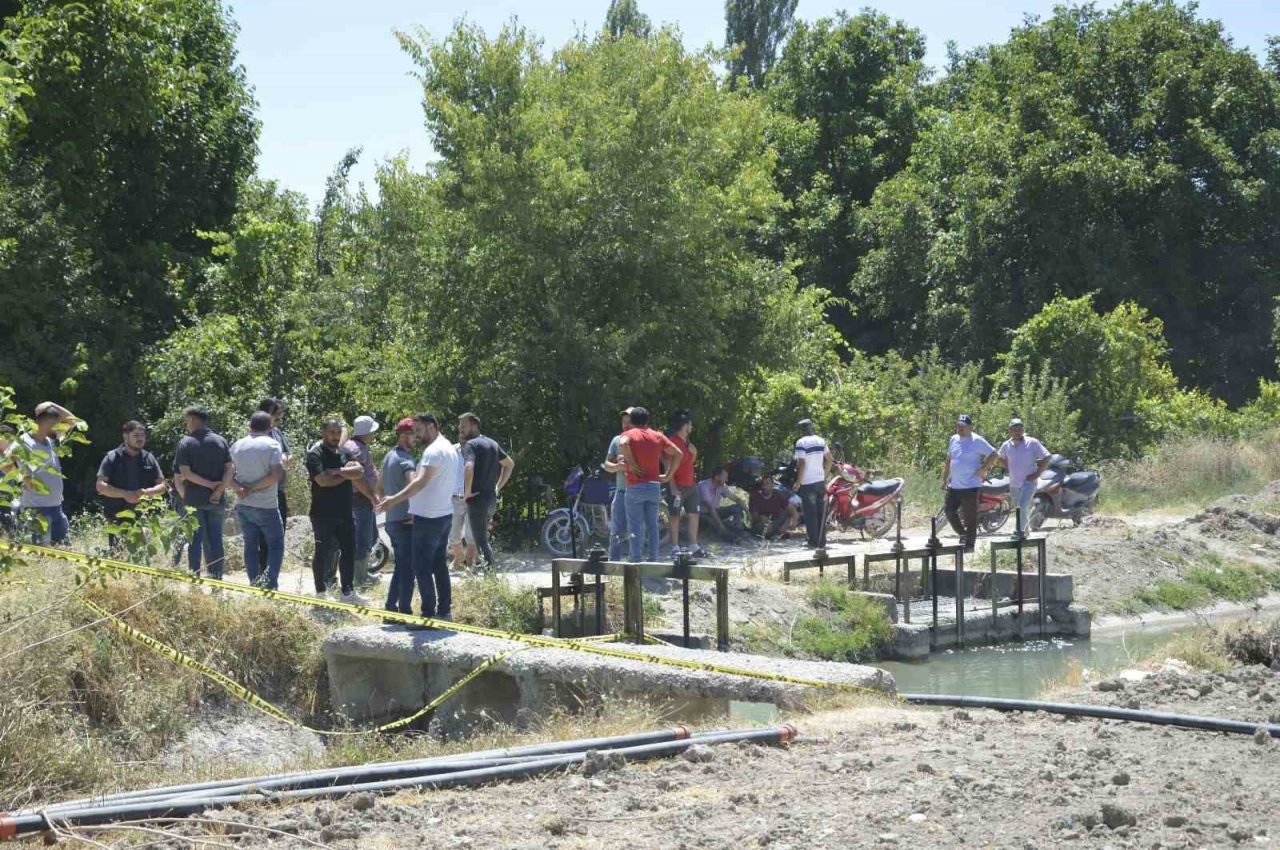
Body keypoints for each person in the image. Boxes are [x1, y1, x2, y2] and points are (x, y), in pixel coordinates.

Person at [376, 414, 461, 620]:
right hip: (441, 514)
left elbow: (418, 482)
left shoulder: (431, 451)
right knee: (437, 566)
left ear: (432, 426)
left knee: (419, 568)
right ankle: (443, 611)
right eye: (413, 432)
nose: (417, 436)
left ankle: (426, 615)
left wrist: (392, 500)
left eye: (419, 431)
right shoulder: (448, 447)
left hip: (426, 518)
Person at [306, 418, 366, 601]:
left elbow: (360, 471)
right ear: (323, 432)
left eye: (338, 433)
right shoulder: (315, 454)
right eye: (332, 432)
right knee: (323, 552)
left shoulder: (345, 451)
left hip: (345, 512)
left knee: (349, 551)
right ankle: (321, 592)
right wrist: (346, 474)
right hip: (323, 513)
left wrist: (336, 471)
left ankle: (348, 591)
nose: (335, 436)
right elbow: (323, 481)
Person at [174, 406, 234, 578]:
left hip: (194, 500)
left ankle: (195, 578)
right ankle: (217, 578)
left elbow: (185, 473)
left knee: (195, 540)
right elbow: (230, 469)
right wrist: (219, 489)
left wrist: (209, 485)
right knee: (216, 539)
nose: (186, 424)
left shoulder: (186, 443)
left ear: (193, 420)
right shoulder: (221, 441)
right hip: (216, 499)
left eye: (187, 421)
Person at [230, 412, 286, 589]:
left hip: (244, 504)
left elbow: (227, 475)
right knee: (276, 545)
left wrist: (240, 488)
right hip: (266, 505)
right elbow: (276, 475)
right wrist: (252, 488)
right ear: (270, 427)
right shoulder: (272, 445)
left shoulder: (237, 445)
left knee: (250, 546)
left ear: (250, 425)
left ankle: (254, 583)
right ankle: (269, 584)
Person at [618, 407, 682, 562]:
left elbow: (623, 443)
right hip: (654, 485)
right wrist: (668, 475)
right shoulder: (657, 436)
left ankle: (636, 559)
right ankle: (653, 560)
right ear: (647, 420)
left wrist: (632, 464)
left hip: (635, 485)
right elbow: (678, 453)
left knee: (635, 525)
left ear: (632, 420)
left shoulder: (629, 434)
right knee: (652, 525)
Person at [95, 421, 167, 549]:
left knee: (142, 553)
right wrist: (125, 494)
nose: (140, 439)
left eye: (142, 436)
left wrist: (146, 492)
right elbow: (100, 486)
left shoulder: (149, 458)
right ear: (125, 436)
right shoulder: (112, 457)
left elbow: (162, 486)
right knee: (117, 554)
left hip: (144, 516)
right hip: (117, 515)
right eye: (136, 435)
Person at [16, 402, 78, 544]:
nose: (59, 428)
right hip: (36, 509)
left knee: (63, 550)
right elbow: (7, 462)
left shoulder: (51, 440)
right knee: (38, 552)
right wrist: (24, 479)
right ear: (47, 423)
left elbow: (73, 421)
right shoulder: (24, 442)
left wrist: (51, 404)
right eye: (56, 425)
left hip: (56, 507)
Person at [458, 413, 514, 571]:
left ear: (475, 425)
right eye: (460, 426)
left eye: (464, 425)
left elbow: (469, 467)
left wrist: (467, 492)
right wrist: (498, 487)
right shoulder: (492, 443)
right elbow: (509, 464)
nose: (460, 429)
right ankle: (488, 571)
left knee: (480, 540)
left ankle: (491, 574)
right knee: (483, 538)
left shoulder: (471, 445)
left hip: (477, 499)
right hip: (491, 500)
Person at [942, 414, 997, 553]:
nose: (960, 428)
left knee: (970, 517)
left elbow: (994, 454)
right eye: (958, 425)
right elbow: (949, 459)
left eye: (963, 426)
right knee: (949, 511)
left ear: (970, 427)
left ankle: (970, 545)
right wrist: (944, 479)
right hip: (954, 485)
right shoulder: (953, 439)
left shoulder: (977, 440)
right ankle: (963, 534)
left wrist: (983, 468)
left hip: (971, 485)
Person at [379, 418, 418, 613]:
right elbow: (414, 485)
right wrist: (414, 511)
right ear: (404, 436)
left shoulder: (389, 456)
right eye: (413, 435)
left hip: (392, 520)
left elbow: (379, 486)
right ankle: (405, 611)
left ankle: (390, 609)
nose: (416, 439)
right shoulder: (406, 459)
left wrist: (386, 505)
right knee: (408, 569)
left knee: (401, 567)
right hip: (405, 521)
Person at [988, 418, 1051, 536]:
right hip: (1014, 483)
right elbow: (999, 457)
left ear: (1023, 429)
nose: (1017, 431)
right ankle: (1025, 532)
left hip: (1029, 482)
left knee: (1022, 506)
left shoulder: (1032, 442)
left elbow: (1047, 457)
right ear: (1010, 431)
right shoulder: (1006, 445)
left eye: (1020, 428)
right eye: (1014, 429)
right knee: (1019, 508)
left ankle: (1020, 531)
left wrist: (1037, 474)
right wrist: (1006, 465)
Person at [256, 398, 292, 570]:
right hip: (263, 490)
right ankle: (263, 573)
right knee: (264, 536)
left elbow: (288, 453)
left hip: (279, 489)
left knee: (279, 532)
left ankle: (271, 572)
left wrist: (286, 457)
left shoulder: (277, 432)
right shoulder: (257, 436)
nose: (279, 420)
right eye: (277, 416)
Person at [345, 416, 381, 580]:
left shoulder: (355, 446)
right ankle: (360, 577)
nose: (373, 435)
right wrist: (372, 496)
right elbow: (357, 478)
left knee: (370, 536)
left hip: (361, 498)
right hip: (360, 498)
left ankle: (361, 573)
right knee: (363, 539)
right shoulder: (357, 450)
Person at [664, 411, 703, 556]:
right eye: (690, 424)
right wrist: (672, 487)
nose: (691, 427)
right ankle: (675, 547)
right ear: (685, 425)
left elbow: (690, 463)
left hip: (691, 484)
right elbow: (667, 465)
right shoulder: (672, 442)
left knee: (694, 513)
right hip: (677, 486)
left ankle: (694, 545)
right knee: (675, 515)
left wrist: (695, 452)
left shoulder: (688, 443)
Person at [793, 419, 833, 549]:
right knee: (821, 512)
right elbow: (829, 460)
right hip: (819, 482)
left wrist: (798, 482)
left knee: (810, 513)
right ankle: (822, 541)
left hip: (807, 483)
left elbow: (802, 464)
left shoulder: (801, 442)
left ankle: (812, 542)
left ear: (801, 429)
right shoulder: (820, 440)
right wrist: (824, 475)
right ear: (812, 427)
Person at [602, 408, 634, 561]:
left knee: (636, 531)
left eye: (629, 422)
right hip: (621, 491)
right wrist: (617, 466)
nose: (626, 425)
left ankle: (635, 563)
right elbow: (606, 464)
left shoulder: (642, 441)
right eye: (623, 422)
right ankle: (613, 564)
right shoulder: (616, 440)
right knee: (615, 531)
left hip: (637, 492)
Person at [696, 467, 748, 540]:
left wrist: (748, 513)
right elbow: (710, 508)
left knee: (737, 507)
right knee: (713, 525)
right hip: (702, 514)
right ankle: (731, 537)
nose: (726, 480)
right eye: (725, 478)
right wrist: (721, 525)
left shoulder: (722, 486)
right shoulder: (704, 485)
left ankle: (739, 530)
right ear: (716, 477)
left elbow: (737, 499)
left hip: (715, 511)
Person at [447, 431, 474, 571]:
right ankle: (458, 557)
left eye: (465, 432)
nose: (462, 435)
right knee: (453, 534)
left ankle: (470, 563)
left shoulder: (476, 450)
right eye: (460, 433)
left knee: (471, 534)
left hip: (473, 498)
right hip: (454, 497)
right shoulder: (451, 450)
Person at [749, 473, 800, 540]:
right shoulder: (756, 498)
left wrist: (793, 523)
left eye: (767, 484)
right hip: (763, 524)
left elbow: (793, 511)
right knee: (762, 528)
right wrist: (760, 517)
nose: (765, 486)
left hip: (777, 521)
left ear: (772, 485)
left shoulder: (778, 495)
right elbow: (754, 517)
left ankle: (780, 533)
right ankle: (774, 535)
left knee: (790, 515)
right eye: (763, 484)